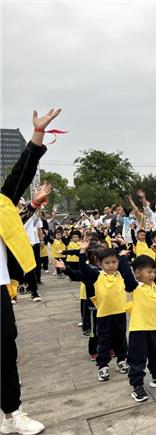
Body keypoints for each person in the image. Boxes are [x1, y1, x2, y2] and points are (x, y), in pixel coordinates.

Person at [1, 107, 62, 435]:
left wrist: (37, 134)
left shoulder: (0, 201)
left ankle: (12, 413)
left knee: (5, 342)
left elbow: (21, 174)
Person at [120, 254, 156, 402]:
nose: (152, 275)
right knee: (137, 359)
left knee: (155, 355)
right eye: (148, 272)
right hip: (139, 329)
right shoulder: (135, 287)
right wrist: (123, 258)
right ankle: (137, 385)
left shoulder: (153, 286)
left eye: (153, 272)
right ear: (138, 273)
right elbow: (127, 276)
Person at [78, 242, 130, 382]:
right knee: (104, 340)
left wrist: (123, 256)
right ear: (100, 264)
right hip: (104, 315)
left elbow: (129, 273)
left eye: (114, 262)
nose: (111, 265)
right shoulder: (97, 275)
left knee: (121, 338)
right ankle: (103, 366)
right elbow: (83, 267)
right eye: (107, 263)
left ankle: (122, 360)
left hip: (120, 312)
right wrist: (82, 251)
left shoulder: (121, 275)